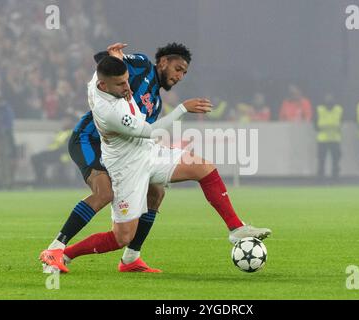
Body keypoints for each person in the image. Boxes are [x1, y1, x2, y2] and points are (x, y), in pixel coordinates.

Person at [59, 55, 271, 273]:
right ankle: (64, 253)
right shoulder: (111, 107)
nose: (127, 85)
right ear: (163, 62)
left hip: (147, 153)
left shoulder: (123, 88)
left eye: (126, 80)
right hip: (127, 167)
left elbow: (105, 64)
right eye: (177, 69)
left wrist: (112, 54)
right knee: (121, 236)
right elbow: (150, 130)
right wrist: (182, 108)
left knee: (199, 170)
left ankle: (235, 227)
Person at [40, 43, 193, 273]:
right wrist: (113, 56)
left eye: (184, 73)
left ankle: (132, 257)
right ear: (163, 62)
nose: (180, 76)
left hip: (119, 151)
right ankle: (55, 248)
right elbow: (104, 61)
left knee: (156, 191)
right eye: (178, 69)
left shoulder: (157, 102)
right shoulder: (141, 65)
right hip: (89, 140)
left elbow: (142, 132)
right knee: (104, 193)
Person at [31, 116, 75, 186]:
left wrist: (55, 150)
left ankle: (41, 181)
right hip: (54, 153)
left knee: (36, 158)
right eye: (63, 120)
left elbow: (67, 147)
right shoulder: (61, 132)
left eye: (66, 121)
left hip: (61, 155)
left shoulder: (72, 132)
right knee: (35, 157)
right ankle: (41, 179)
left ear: (71, 122)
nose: (64, 122)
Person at [314, 94, 343, 181]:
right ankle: (321, 175)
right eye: (327, 98)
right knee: (321, 159)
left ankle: (335, 175)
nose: (329, 100)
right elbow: (315, 124)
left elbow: (341, 122)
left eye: (330, 98)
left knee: (336, 159)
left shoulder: (339, 109)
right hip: (323, 139)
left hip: (335, 138)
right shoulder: (319, 109)